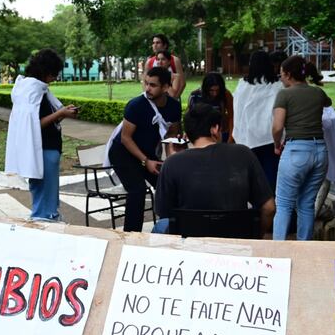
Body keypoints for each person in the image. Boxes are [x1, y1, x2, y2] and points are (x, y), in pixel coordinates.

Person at [154, 103, 275, 235]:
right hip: (237, 238)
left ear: (187, 135)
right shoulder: (243, 154)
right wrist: (255, 236)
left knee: (161, 225)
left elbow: (164, 212)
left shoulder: (173, 162)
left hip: (190, 243)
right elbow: (269, 208)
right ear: (215, 129)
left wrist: (174, 160)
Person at [5, 49, 78, 221]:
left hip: (46, 148)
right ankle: (46, 221)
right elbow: (35, 124)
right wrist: (61, 114)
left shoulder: (30, 88)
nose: (55, 78)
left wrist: (61, 113)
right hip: (43, 149)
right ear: (45, 71)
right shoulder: (33, 89)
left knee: (44, 192)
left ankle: (48, 217)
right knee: (45, 194)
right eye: (54, 74)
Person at [109, 67, 182, 231]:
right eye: (146, 83)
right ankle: (131, 236)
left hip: (147, 153)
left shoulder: (174, 107)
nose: (147, 88)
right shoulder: (136, 105)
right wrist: (146, 161)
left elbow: (172, 135)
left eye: (153, 85)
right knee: (138, 191)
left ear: (165, 87)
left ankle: (173, 227)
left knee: (169, 184)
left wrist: (172, 160)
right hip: (123, 154)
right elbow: (125, 138)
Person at [272, 55, 331, 241]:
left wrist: (276, 144)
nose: (280, 78)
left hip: (296, 151)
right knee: (306, 204)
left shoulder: (285, 94)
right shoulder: (317, 93)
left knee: (283, 204)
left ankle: (277, 252)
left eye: (281, 74)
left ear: (288, 75)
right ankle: (304, 249)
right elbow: (328, 102)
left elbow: (278, 127)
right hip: (320, 152)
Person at [232, 50, 284, 188]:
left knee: (253, 179)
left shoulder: (243, 85)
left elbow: (237, 108)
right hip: (270, 137)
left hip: (248, 137)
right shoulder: (278, 85)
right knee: (271, 176)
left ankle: (257, 207)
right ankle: (271, 206)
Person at [187, 72, 234, 143]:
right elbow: (190, 118)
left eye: (217, 90)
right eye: (211, 90)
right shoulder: (195, 96)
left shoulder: (225, 94)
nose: (215, 94)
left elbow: (232, 117)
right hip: (201, 136)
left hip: (220, 133)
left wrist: (230, 138)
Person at [143, 33, 185, 99]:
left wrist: (174, 100)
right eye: (153, 43)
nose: (155, 45)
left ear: (165, 45)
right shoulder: (149, 62)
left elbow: (182, 83)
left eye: (158, 43)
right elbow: (144, 82)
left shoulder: (175, 60)